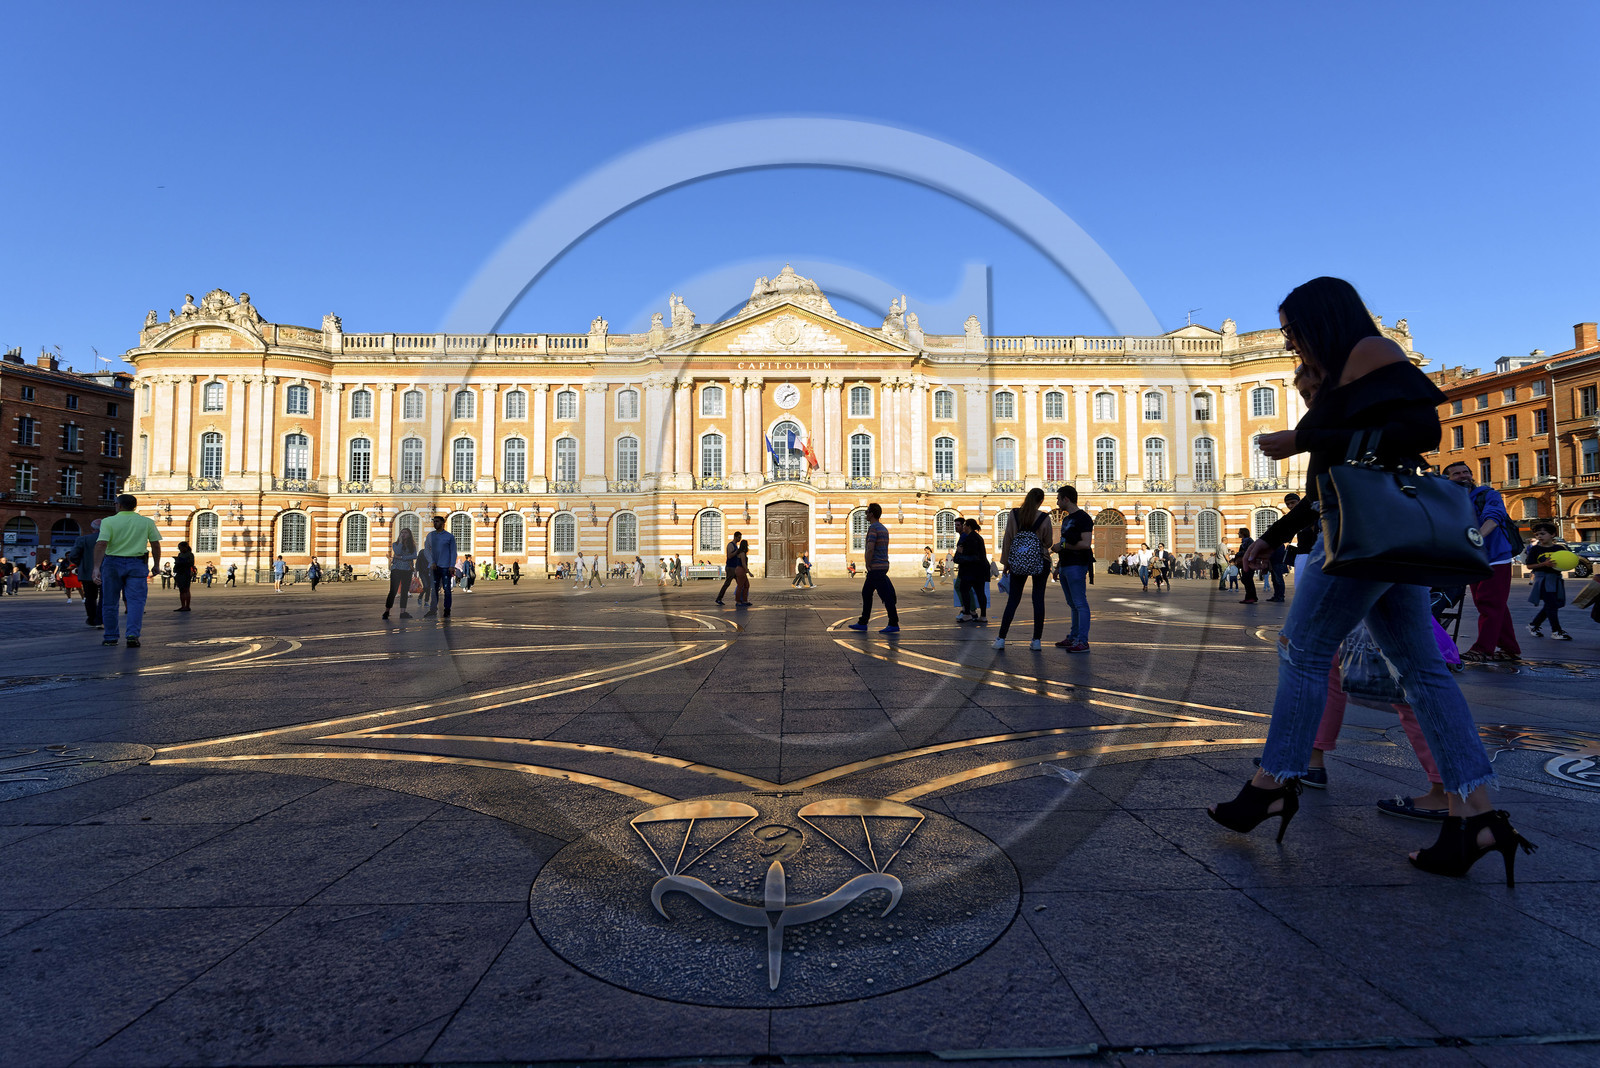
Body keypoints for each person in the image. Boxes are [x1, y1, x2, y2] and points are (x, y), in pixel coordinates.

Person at [1211, 275, 1529, 885]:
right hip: (1371, 532)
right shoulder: (1341, 371)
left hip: (1368, 539)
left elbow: (1421, 432)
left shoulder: (1372, 351)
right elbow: (1338, 478)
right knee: (1421, 671)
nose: (1289, 340)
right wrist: (1275, 535)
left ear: (1324, 317)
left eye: (1293, 329)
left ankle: (1273, 783)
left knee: (1303, 650)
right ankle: (1478, 816)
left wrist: (1303, 437)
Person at [1440, 462, 1522, 661]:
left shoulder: (1487, 494)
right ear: (1447, 480)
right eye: (1456, 474)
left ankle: (1483, 649)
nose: (1463, 476)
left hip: (1495, 557)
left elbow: (1494, 517)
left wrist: (1476, 538)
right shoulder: (1449, 501)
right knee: (1492, 603)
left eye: (1466, 472)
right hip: (1472, 559)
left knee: (1489, 603)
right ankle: (1510, 648)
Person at [92, 494, 161, 649]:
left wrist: (96, 568)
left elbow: (101, 544)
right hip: (137, 563)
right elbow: (155, 544)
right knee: (136, 602)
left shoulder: (108, 521)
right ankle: (132, 635)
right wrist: (156, 565)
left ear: (119, 505)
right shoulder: (146, 522)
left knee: (110, 601)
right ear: (134, 506)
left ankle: (111, 637)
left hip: (112, 563)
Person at [995, 487, 1053, 651]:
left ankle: (1001, 639)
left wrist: (1006, 563)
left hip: (1017, 560)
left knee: (1013, 600)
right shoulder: (1044, 518)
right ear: (1041, 501)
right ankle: (1036, 641)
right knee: (1038, 599)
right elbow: (1048, 542)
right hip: (1040, 560)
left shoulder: (1013, 514)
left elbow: (1008, 539)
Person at [847, 503, 899, 634]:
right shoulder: (883, 528)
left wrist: (867, 563)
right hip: (883, 565)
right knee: (867, 592)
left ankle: (893, 623)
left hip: (875, 566)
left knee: (886, 595)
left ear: (872, 514)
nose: (865, 514)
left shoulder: (873, 528)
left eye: (867, 511)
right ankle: (863, 622)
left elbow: (870, 548)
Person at [1053, 485, 1093, 651]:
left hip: (1077, 564)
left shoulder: (1083, 518)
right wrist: (1058, 566)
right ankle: (1074, 636)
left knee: (1080, 603)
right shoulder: (1066, 519)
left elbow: (1085, 543)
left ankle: (1082, 641)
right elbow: (1064, 542)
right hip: (1066, 565)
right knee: (1072, 603)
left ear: (1066, 499)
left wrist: (1062, 547)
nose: (1057, 502)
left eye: (1058, 499)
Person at [1524, 523, 1572, 640]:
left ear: (1552, 534)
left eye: (1542, 533)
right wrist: (1544, 564)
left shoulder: (1559, 549)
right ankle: (1556, 631)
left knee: (1553, 604)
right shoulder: (1535, 549)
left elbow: (1567, 561)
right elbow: (1529, 566)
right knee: (1551, 605)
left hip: (1556, 579)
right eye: (1537, 534)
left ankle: (1534, 625)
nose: (1539, 536)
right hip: (1543, 579)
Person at [67, 518, 103, 628]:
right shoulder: (110, 539)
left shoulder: (83, 539)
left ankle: (92, 618)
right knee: (105, 596)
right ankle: (101, 618)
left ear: (92, 528)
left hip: (87, 572)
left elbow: (73, 556)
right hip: (105, 573)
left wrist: (81, 564)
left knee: (90, 597)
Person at [954, 518, 989, 625]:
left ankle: (968, 613)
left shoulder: (970, 538)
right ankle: (983, 616)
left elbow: (973, 556)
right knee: (980, 592)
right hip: (980, 570)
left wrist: (961, 554)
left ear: (968, 526)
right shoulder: (978, 537)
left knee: (964, 590)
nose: (963, 527)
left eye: (964, 525)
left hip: (971, 571)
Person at [422, 515, 458, 619]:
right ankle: (433, 610)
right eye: (434, 521)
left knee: (447, 589)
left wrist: (452, 565)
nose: (435, 523)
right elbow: (426, 550)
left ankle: (447, 610)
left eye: (437, 521)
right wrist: (431, 562)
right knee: (434, 589)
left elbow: (453, 552)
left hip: (446, 567)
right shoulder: (430, 535)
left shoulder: (449, 536)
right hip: (434, 567)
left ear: (442, 523)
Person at [383, 525, 419, 620]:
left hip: (407, 570)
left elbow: (414, 556)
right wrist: (400, 542)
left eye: (405, 533)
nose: (403, 534)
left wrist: (402, 558)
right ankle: (387, 611)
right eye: (402, 533)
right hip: (396, 569)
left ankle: (403, 612)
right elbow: (398, 552)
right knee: (393, 591)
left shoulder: (412, 545)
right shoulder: (395, 544)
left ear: (409, 535)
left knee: (404, 591)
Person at [715, 533, 742, 605]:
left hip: (735, 567)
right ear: (735, 537)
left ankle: (739, 600)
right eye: (738, 537)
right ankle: (719, 598)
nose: (739, 539)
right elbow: (729, 556)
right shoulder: (730, 545)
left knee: (740, 583)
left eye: (740, 538)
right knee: (727, 583)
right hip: (730, 567)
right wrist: (737, 552)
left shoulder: (735, 545)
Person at [1232, 530, 1258, 603]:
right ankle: (1252, 597)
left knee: (1247, 579)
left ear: (1243, 533)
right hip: (1247, 563)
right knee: (1247, 579)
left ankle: (1251, 597)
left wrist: (1238, 554)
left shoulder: (1248, 542)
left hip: (1249, 563)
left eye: (1239, 532)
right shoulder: (1246, 541)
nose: (1238, 533)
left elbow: (1247, 552)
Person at [172, 540, 195, 612]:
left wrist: (181, 561)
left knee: (186, 589)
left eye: (180, 548)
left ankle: (187, 606)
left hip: (186, 573)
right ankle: (183, 606)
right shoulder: (180, 554)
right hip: (180, 572)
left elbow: (191, 563)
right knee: (181, 590)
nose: (180, 549)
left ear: (185, 547)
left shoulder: (190, 554)